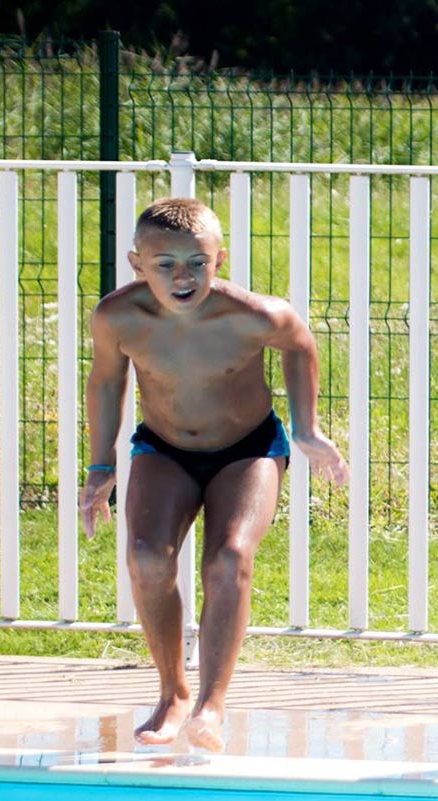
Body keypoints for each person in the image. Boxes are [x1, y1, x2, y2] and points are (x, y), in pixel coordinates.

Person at [80, 197, 350, 753]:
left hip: (247, 450)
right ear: (136, 264)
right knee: (148, 558)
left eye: (197, 263)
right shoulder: (118, 317)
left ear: (219, 258)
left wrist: (306, 428)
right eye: (165, 265)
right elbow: (106, 382)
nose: (183, 277)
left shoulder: (252, 315)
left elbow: (298, 342)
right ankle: (173, 692)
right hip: (164, 447)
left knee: (228, 559)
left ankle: (211, 703)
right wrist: (101, 465)